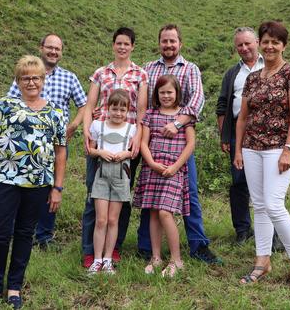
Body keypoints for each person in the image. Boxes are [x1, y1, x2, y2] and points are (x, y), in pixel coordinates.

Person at [0, 55, 66, 310]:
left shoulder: (55, 112)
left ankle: (14, 287)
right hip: (5, 180)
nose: (31, 82)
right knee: (1, 235)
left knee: (25, 234)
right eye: (25, 78)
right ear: (17, 81)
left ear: (43, 79)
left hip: (38, 185)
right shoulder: (4, 106)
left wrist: (57, 187)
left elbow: (61, 152)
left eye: (35, 77)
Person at [234, 20, 290, 289]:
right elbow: (243, 117)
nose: (269, 46)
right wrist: (238, 149)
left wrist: (289, 149)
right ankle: (262, 261)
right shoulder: (252, 78)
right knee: (260, 206)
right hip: (252, 148)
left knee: (274, 204)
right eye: (265, 41)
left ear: (283, 45)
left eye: (274, 42)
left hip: (279, 148)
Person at [137, 23, 222, 264]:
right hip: (152, 141)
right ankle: (147, 247)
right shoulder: (148, 69)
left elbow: (196, 101)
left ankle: (198, 245)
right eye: (164, 41)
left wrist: (176, 123)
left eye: (173, 41)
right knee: (149, 196)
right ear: (159, 43)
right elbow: (143, 103)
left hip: (179, 143)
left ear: (180, 43)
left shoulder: (190, 68)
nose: (168, 45)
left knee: (189, 194)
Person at [7, 34, 86, 249]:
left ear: (61, 52)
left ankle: (44, 235)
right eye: (49, 47)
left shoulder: (69, 78)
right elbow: (10, 105)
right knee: (23, 185)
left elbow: (84, 105)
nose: (53, 52)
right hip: (27, 144)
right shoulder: (28, 76)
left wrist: (73, 125)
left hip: (56, 144)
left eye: (57, 49)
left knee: (52, 187)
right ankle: (21, 231)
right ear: (41, 48)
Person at [81, 27, 148, 268]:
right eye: (118, 43)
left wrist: (138, 139)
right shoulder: (101, 73)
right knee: (94, 195)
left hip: (126, 141)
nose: (122, 47)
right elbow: (90, 106)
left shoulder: (140, 75)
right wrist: (87, 131)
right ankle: (91, 252)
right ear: (113, 45)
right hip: (101, 138)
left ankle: (113, 249)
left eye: (126, 44)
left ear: (132, 46)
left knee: (122, 196)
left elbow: (141, 112)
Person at [216, 27, 283, 250]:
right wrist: (224, 135)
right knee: (239, 181)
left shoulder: (273, 65)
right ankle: (243, 229)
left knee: (269, 182)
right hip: (239, 130)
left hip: (269, 130)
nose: (244, 48)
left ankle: (274, 233)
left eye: (248, 43)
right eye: (239, 45)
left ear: (257, 42)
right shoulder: (232, 74)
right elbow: (223, 106)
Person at [134, 75, 196, 277]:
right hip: (153, 168)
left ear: (177, 93)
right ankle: (156, 257)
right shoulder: (151, 114)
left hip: (174, 170)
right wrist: (151, 163)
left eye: (170, 92)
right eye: (162, 92)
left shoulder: (184, 117)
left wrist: (176, 166)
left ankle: (176, 260)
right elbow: (143, 142)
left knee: (165, 213)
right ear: (156, 94)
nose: (166, 96)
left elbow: (190, 144)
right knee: (153, 212)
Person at [87, 89, 136, 275]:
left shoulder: (131, 129)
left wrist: (125, 154)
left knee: (113, 219)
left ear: (127, 111)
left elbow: (134, 150)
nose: (118, 113)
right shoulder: (98, 126)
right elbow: (90, 150)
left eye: (122, 110)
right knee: (101, 220)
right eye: (115, 109)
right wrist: (101, 152)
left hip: (121, 175)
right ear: (108, 108)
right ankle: (96, 259)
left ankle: (108, 259)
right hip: (101, 174)